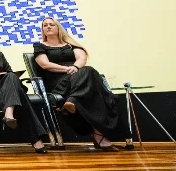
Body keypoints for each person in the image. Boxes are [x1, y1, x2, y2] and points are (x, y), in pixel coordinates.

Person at [33, 17, 120, 150]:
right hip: (59, 82)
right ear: (43, 30)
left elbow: (82, 58)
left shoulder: (70, 44)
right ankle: (100, 137)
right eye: (45, 25)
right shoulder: (39, 46)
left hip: (77, 77)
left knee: (89, 76)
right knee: (92, 79)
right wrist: (66, 69)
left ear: (58, 28)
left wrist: (75, 68)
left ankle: (73, 101)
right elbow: (45, 64)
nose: (48, 27)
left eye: (51, 24)